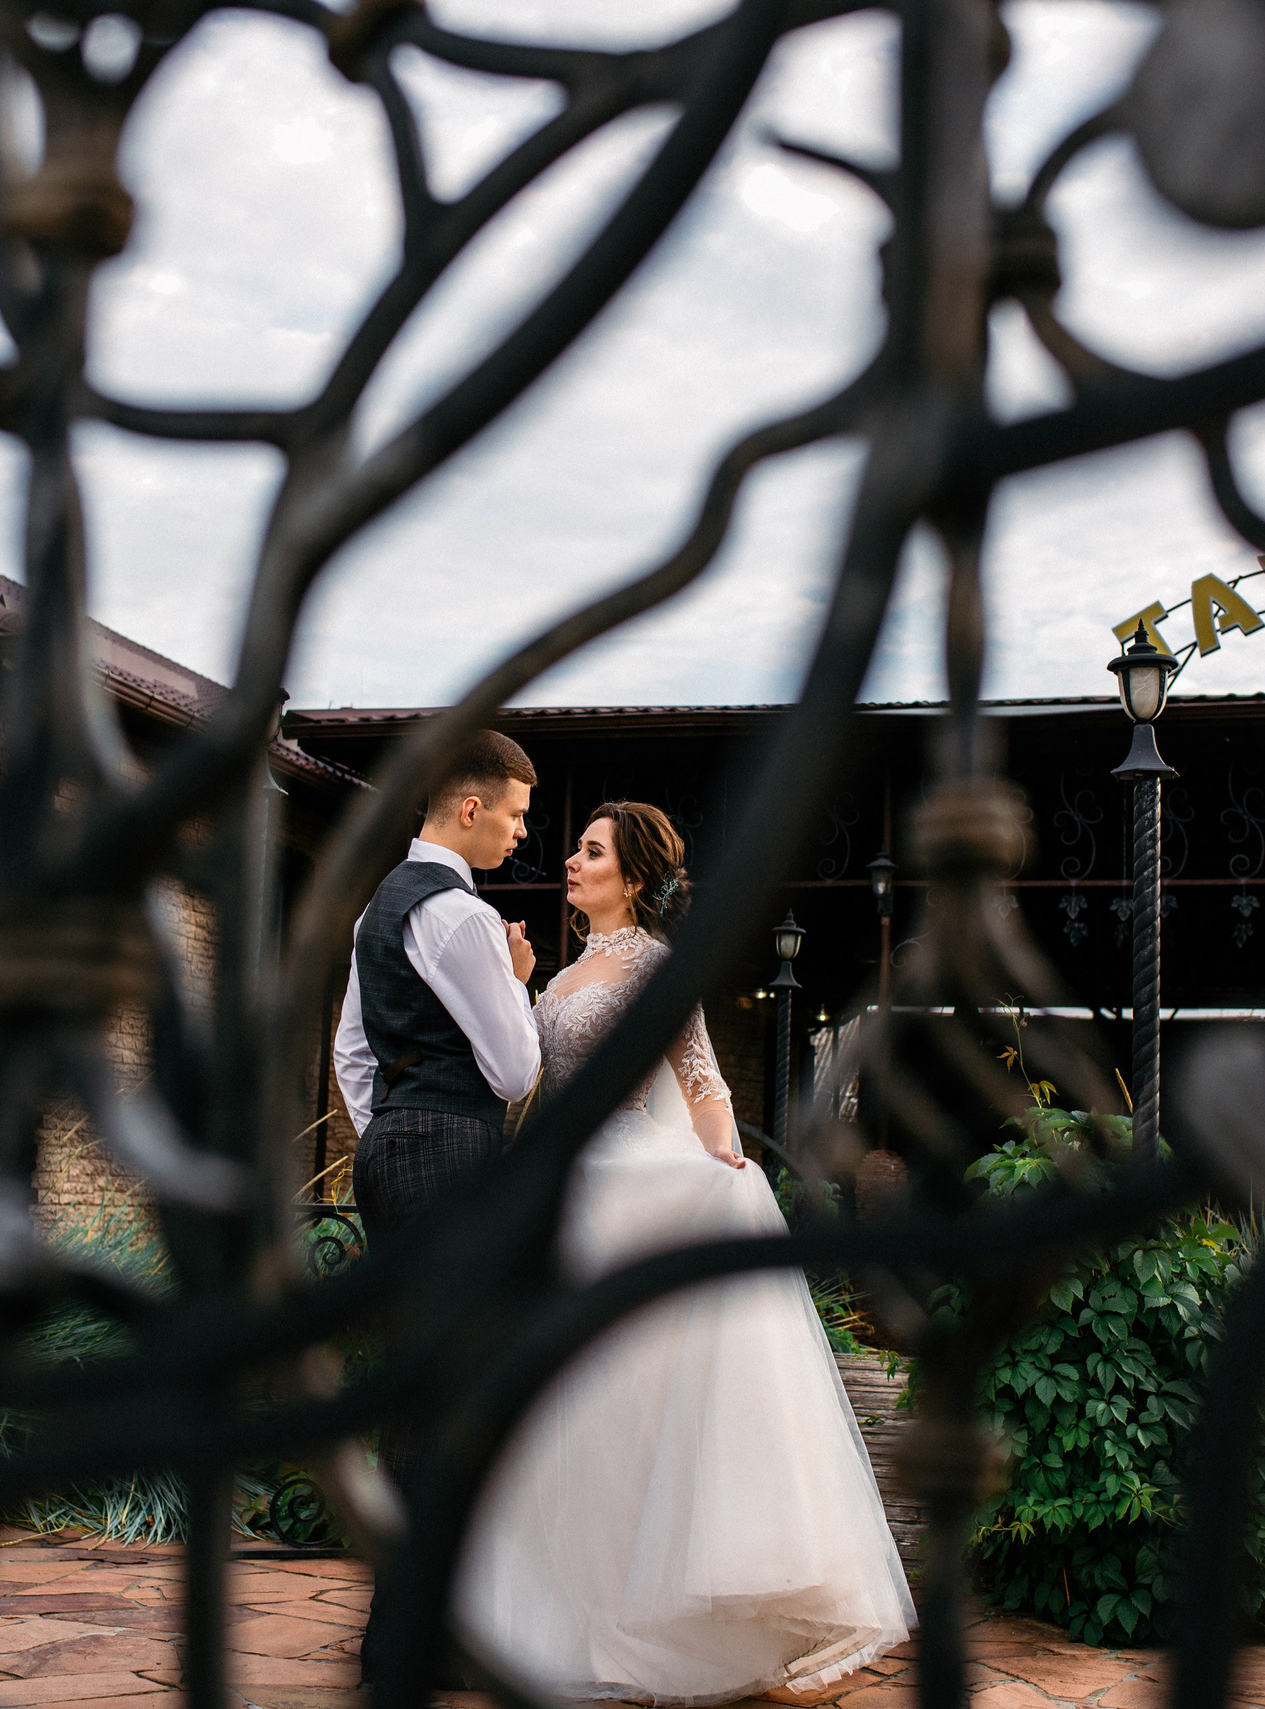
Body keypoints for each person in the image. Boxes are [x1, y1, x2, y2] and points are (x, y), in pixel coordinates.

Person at [456, 801, 914, 1707]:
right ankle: (557, 1614)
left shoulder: (657, 968)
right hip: (563, 1198)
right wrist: (518, 986)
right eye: (577, 847)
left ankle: (654, 1621)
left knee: (624, 1399)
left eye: (591, 851)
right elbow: (528, 1085)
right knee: (564, 1406)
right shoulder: (564, 974)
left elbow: (704, 1085)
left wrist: (725, 1166)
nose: (571, 860)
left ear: (631, 878)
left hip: (630, 1193)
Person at [333, 727, 541, 1688]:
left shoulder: (378, 906)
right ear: (470, 807)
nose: (520, 832)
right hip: (453, 1154)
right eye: (515, 813)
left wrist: (394, 1127)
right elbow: (516, 1068)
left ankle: (407, 1629)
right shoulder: (461, 915)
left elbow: (352, 1053)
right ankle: (408, 1642)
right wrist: (517, 983)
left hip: (392, 1152)